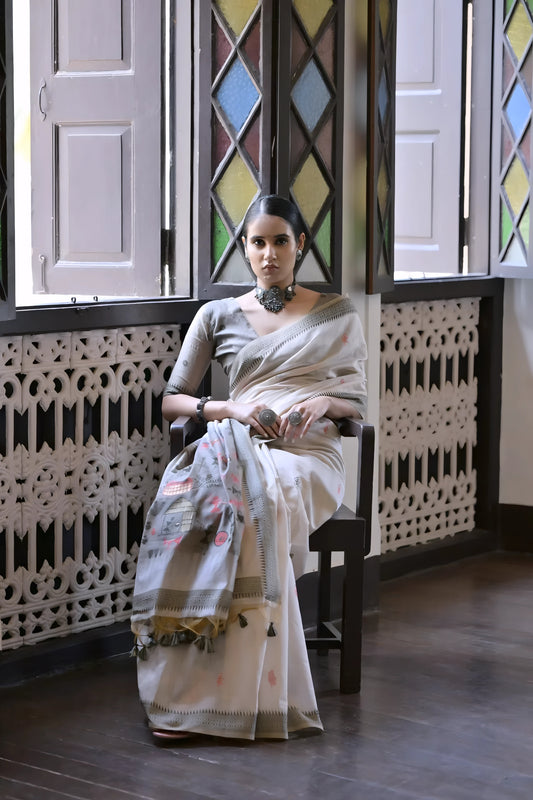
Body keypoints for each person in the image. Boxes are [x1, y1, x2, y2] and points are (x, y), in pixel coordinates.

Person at [131, 194, 367, 742]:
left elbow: (357, 405)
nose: (268, 254)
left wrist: (323, 404)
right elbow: (172, 401)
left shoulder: (336, 313)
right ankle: (192, 692)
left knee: (267, 502)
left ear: (300, 244)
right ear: (244, 248)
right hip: (237, 445)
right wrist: (231, 409)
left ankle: (252, 696)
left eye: (280, 240)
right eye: (257, 242)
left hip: (309, 455)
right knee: (221, 503)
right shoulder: (217, 315)